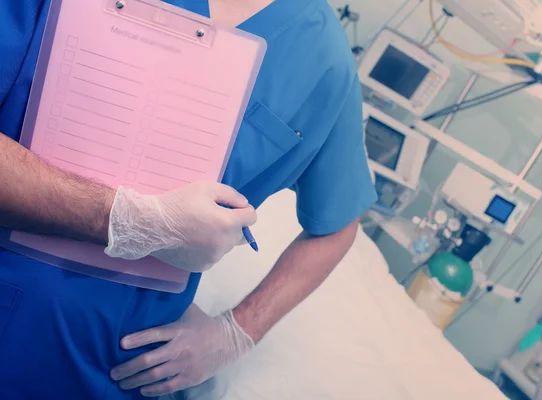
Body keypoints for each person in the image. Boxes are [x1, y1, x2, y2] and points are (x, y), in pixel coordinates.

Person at [0, 0, 377, 398]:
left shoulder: (322, 58)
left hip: (113, 366)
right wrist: (128, 218)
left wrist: (236, 332)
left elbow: (337, 227)